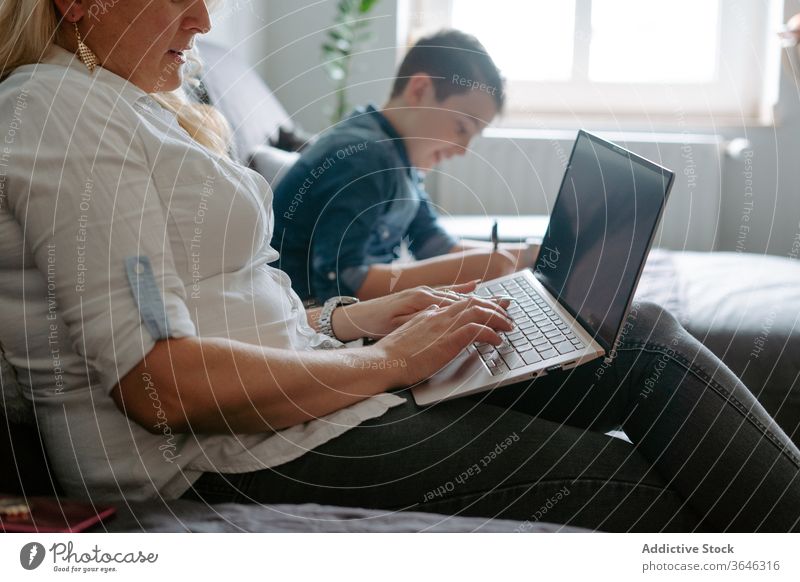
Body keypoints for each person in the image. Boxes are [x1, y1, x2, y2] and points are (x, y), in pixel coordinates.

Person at [0, 0, 798, 533]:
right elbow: (157, 384)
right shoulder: (57, 109)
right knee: (662, 487)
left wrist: (353, 321)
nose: (205, 17)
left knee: (642, 337)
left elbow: (225, 303)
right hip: (239, 450)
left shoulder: (124, 101)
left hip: (306, 387)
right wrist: (388, 363)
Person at [271, 30, 539, 304]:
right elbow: (341, 282)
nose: (463, 150)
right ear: (420, 90)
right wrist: (462, 270)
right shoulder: (364, 158)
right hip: (306, 315)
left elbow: (432, 244)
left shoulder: (400, 157)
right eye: (462, 128)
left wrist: (529, 256)